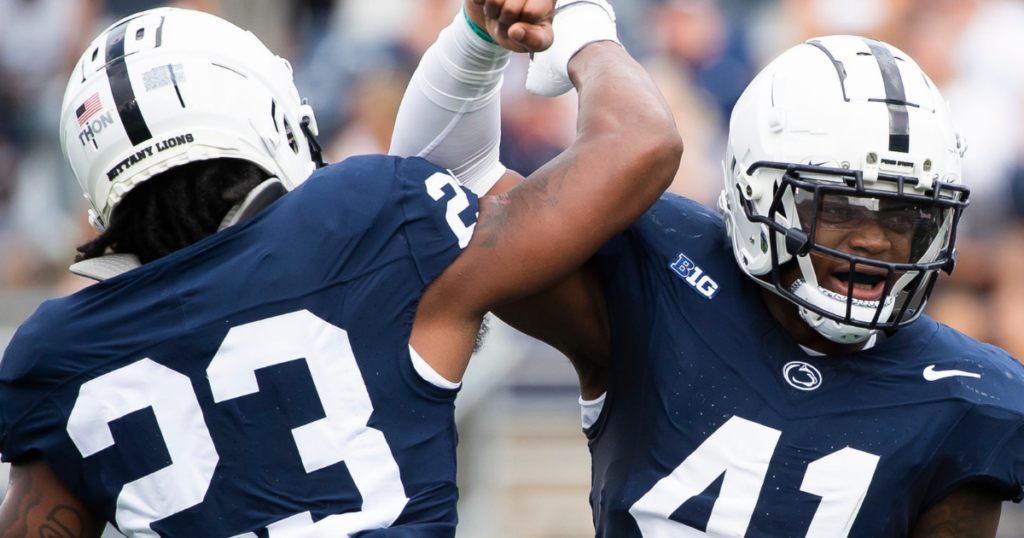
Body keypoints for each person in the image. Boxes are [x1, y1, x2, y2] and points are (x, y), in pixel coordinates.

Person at [0, 2, 681, 537]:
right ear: (266, 114)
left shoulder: (56, 353)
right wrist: (573, 27)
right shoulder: (365, 216)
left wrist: (473, 42)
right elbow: (638, 147)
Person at [398, 24, 1024, 537]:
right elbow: (442, 184)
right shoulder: (658, 274)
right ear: (756, 191)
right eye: (837, 207)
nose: (873, 241)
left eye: (906, 214)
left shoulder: (965, 395)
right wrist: (479, 39)